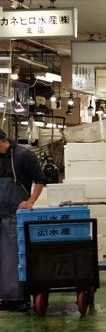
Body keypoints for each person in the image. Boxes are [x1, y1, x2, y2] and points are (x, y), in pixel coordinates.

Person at [0, 129, 47, 311]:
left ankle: (18, 297)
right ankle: (3, 297)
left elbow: (40, 180)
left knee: (14, 258)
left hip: (15, 216)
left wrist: (31, 201)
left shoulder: (23, 156)